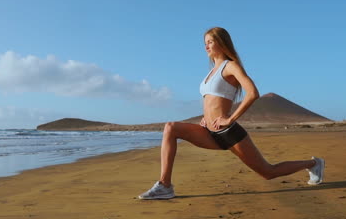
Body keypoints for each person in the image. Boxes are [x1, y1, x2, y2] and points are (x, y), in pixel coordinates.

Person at [138, 27, 325, 200]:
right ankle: (165, 185)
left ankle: (313, 164)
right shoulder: (211, 72)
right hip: (209, 131)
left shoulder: (231, 66)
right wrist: (206, 117)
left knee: (268, 172)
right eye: (205, 42)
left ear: (222, 42)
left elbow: (253, 93)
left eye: (210, 41)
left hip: (228, 133)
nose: (206, 46)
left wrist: (230, 119)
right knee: (171, 128)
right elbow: (212, 101)